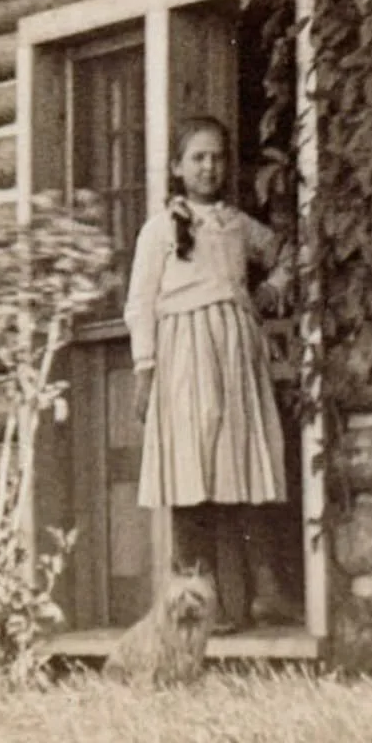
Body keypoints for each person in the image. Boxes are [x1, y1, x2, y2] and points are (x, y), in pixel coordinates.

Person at [124, 115, 291, 633]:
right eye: (197, 157)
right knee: (193, 474)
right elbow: (139, 303)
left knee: (238, 470)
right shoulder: (159, 230)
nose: (209, 166)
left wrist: (271, 288)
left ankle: (259, 595)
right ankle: (200, 607)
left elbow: (287, 253)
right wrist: (145, 370)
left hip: (236, 356)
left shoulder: (238, 224)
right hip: (184, 359)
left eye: (217, 156)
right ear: (177, 166)